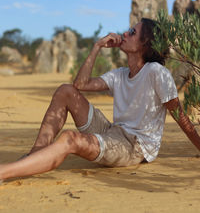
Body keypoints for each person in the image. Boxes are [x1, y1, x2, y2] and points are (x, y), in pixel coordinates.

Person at [0, 18, 200, 181]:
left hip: (134, 145)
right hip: (112, 131)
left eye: (132, 32)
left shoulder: (156, 73)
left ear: (145, 44)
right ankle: (34, 156)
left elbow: (179, 115)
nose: (124, 34)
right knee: (65, 91)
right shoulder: (120, 74)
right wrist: (96, 47)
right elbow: (80, 85)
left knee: (70, 139)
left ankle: (4, 171)